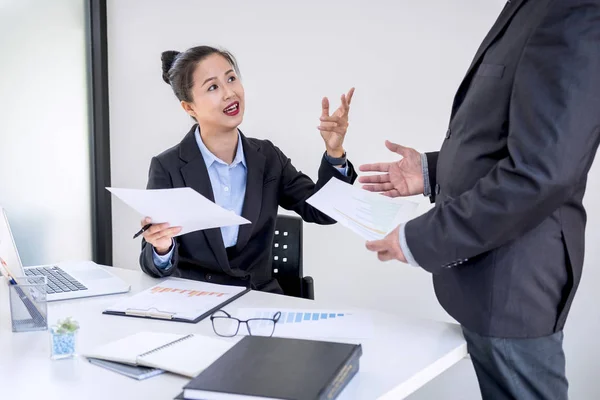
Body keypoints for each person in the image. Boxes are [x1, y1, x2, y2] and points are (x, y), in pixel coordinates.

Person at [359, 1, 600, 399]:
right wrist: (432, 172)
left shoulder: (574, 10)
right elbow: (506, 138)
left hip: (514, 290)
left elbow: (539, 173)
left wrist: (419, 239)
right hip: (492, 282)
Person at [139, 45, 357, 294]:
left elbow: (324, 212)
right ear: (189, 108)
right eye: (213, 87)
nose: (229, 93)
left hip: (257, 302)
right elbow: (152, 264)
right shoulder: (168, 167)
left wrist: (334, 152)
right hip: (195, 302)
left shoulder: (267, 157)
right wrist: (162, 247)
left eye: (231, 78)